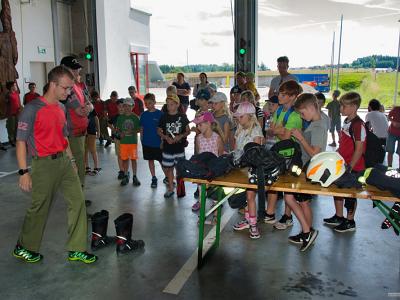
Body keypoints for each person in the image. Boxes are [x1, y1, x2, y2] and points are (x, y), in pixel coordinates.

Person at [13, 65, 97, 264]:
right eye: (65, 88)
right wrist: (24, 172)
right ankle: (24, 247)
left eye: (70, 89)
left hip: (64, 162)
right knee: (39, 207)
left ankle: (76, 249)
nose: (69, 93)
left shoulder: (61, 108)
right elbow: (21, 141)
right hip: (43, 165)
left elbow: (63, 136)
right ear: (53, 84)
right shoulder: (32, 109)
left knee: (77, 202)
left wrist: (73, 161)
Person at [288, 93, 328, 251]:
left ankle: (307, 231)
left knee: (292, 199)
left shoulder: (318, 126)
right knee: (301, 201)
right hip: (307, 168)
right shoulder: (319, 120)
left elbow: (315, 153)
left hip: (309, 168)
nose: (303, 117)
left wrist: (300, 138)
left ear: (311, 107)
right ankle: (306, 231)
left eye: (303, 113)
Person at [323, 92, 366, 232]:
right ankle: (339, 216)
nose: (340, 108)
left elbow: (359, 149)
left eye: (343, 106)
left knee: (350, 194)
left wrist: (350, 167)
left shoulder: (358, 125)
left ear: (353, 107)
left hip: (354, 166)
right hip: (343, 163)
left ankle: (350, 221)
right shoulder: (347, 122)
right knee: (338, 189)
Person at [265, 80, 303, 229]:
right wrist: (277, 131)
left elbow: (286, 139)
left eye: (283, 94)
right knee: (273, 181)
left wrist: (276, 131)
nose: (279, 96)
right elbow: (269, 130)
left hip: (292, 155)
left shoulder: (295, 115)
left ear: (293, 96)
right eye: (279, 93)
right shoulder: (280, 110)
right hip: (278, 152)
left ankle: (288, 216)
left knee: (288, 186)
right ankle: (270, 212)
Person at [232, 102, 264, 239]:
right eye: (237, 116)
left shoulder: (256, 131)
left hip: (252, 169)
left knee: (250, 197)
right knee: (246, 197)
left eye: (241, 116)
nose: (238, 119)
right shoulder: (239, 129)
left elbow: (256, 153)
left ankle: (253, 224)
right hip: (241, 168)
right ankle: (247, 220)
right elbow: (236, 148)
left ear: (250, 116)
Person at [60, 56, 92, 191]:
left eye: (77, 68)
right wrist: (88, 108)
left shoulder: (76, 86)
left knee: (80, 164)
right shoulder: (67, 89)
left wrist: (89, 107)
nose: (77, 72)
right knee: (76, 167)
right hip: (72, 134)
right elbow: (80, 111)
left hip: (80, 133)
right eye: (74, 69)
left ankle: (79, 195)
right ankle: (78, 198)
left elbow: (90, 105)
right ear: (64, 69)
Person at [157, 94, 190, 198]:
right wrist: (166, 138)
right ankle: (171, 188)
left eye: (171, 104)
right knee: (169, 169)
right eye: (167, 105)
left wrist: (180, 136)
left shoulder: (182, 117)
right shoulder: (164, 117)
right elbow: (158, 131)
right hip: (168, 148)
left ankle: (180, 188)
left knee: (179, 169)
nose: (169, 107)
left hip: (179, 149)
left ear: (177, 104)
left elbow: (188, 131)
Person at [191, 112, 224, 211]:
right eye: (197, 125)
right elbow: (198, 154)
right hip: (203, 170)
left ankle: (216, 211)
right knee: (201, 190)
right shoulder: (198, 138)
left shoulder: (217, 138)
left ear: (209, 123)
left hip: (214, 170)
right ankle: (201, 214)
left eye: (200, 124)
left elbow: (220, 155)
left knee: (215, 192)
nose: (198, 127)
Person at [140, 93, 164, 188]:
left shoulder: (160, 114)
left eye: (149, 103)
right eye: (146, 103)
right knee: (150, 161)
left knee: (162, 162)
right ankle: (153, 177)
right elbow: (141, 128)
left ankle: (167, 177)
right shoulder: (143, 115)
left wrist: (162, 141)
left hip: (158, 143)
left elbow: (163, 129)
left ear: (154, 102)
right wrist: (141, 139)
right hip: (147, 143)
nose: (147, 105)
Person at [116, 98, 141, 186]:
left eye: (129, 106)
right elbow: (117, 129)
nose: (127, 108)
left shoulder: (135, 117)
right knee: (125, 159)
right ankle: (126, 175)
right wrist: (120, 133)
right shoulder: (120, 117)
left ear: (132, 107)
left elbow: (139, 129)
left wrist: (133, 132)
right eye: (125, 106)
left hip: (133, 142)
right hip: (123, 143)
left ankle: (134, 176)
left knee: (133, 159)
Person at [107, 98, 125, 179]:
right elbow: (109, 123)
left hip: (126, 140)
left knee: (125, 156)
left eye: (122, 106)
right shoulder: (115, 117)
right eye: (119, 106)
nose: (121, 108)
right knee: (119, 155)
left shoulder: (127, 116)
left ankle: (126, 170)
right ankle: (121, 170)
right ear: (117, 107)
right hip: (117, 139)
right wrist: (113, 129)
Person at [84, 108, 101, 175]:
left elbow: (96, 119)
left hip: (91, 131)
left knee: (93, 150)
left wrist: (98, 131)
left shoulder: (91, 107)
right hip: (83, 132)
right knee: (85, 150)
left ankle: (96, 167)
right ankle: (87, 167)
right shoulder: (80, 107)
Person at [5, 80, 21, 146]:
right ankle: (11, 140)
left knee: (17, 126)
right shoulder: (8, 94)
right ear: (11, 87)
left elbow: (18, 102)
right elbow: (6, 103)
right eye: (14, 85)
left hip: (18, 112)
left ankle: (16, 139)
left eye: (15, 85)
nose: (15, 86)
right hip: (11, 113)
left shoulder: (17, 93)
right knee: (11, 127)